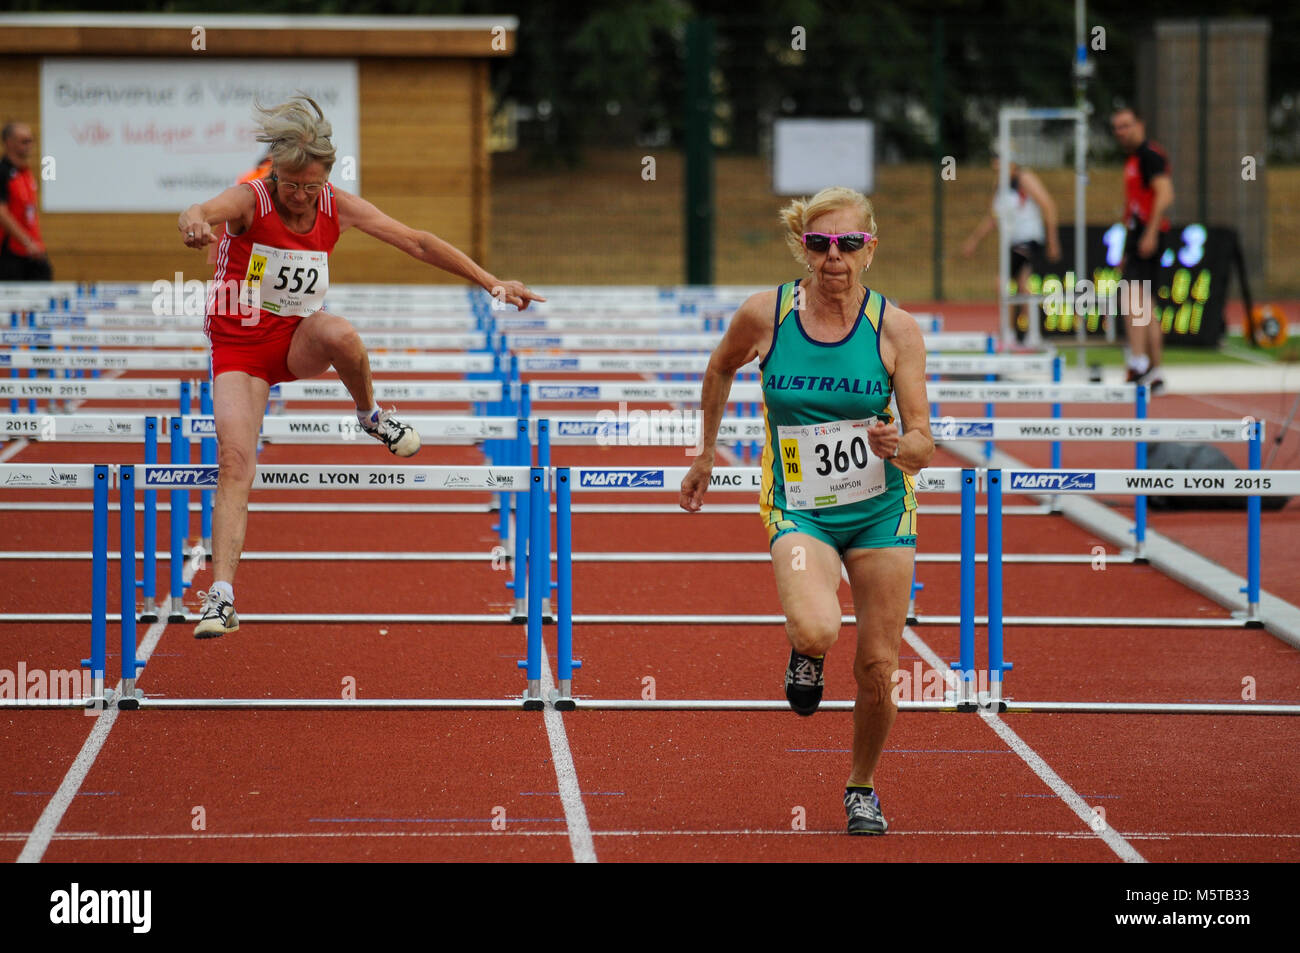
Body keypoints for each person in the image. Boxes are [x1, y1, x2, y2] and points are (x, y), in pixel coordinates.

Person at [178, 96, 543, 639]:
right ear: (274, 173)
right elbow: (199, 211)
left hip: (295, 337)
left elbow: (417, 242)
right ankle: (222, 597)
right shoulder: (253, 199)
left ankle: (370, 415)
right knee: (235, 460)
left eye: (311, 186)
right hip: (239, 349)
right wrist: (194, 225)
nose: (301, 199)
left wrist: (491, 281)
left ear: (326, 177)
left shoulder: (334, 204)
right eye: (292, 186)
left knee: (341, 332)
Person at [680, 186, 934, 835]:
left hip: (881, 510)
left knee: (879, 664)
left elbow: (923, 442)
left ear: (869, 248)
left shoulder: (896, 328)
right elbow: (718, 368)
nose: (834, 257)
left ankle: (861, 785)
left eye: (849, 243)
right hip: (801, 507)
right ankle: (806, 652)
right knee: (819, 627)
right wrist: (706, 452)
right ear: (803, 246)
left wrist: (896, 445)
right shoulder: (765, 314)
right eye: (820, 244)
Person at [961, 153, 1060, 342]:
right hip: (1013, 241)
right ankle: (1030, 333)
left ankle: (1008, 331)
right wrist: (974, 240)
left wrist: (1052, 241)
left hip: (1028, 238)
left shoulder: (1024, 178)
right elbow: (993, 217)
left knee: (1002, 282)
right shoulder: (999, 185)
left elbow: (1048, 205)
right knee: (1023, 285)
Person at [1111, 107, 1174, 394]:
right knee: (1145, 305)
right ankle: (1153, 370)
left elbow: (1165, 193)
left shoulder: (1150, 155)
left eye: (1126, 126)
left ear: (1140, 124)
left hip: (1149, 233)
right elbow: (1132, 205)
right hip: (1139, 234)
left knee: (1132, 300)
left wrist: (1150, 232)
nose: (1122, 132)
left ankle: (1139, 363)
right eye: (1117, 128)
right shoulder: (1134, 159)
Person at [0, 121, 52, 281]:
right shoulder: (3, 173)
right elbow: (2, 213)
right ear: (9, 142)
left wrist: (35, 243)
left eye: (31, 140)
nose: (29, 145)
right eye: (24, 141)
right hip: (11, 252)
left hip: (32, 250)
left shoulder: (25, 173)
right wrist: (26, 241)